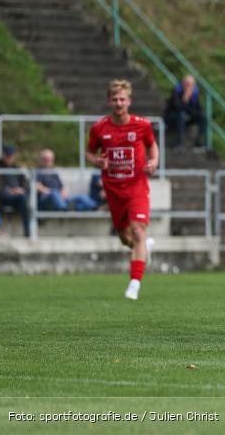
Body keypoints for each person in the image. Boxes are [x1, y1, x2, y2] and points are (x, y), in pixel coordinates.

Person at [86, 80, 159, 300]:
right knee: (126, 238)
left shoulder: (142, 125)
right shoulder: (99, 128)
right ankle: (144, 247)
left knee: (137, 230)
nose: (119, 103)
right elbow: (89, 152)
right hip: (113, 189)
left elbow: (152, 145)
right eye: (115, 99)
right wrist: (97, 161)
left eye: (122, 99)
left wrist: (154, 161)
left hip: (137, 186)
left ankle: (134, 284)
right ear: (109, 101)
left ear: (129, 101)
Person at [163, 75, 207, 151]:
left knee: (202, 117)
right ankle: (179, 144)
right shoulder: (177, 91)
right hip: (173, 117)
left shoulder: (195, 94)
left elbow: (198, 109)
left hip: (187, 116)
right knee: (181, 115)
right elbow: (177, 108)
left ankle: (199, 143)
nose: (189, 86)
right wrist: (185, 99)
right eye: (187, 83)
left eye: (191, 84)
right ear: (183, 83)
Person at [0, 145, 30, 238]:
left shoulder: (17, 168)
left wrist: (21, 189)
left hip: (18, 197)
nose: (10, 158)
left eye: (11, 156)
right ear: (3, 155)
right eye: (8, 156)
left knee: (24, 200)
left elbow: (25, 184)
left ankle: (28, 231)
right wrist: (11, 191)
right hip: (3, 198)